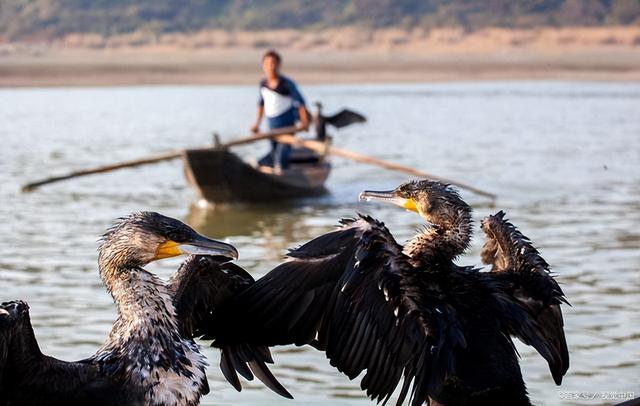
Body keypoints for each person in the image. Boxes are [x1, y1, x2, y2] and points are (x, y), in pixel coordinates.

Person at [250, 49, 309, 170]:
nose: (271, 66)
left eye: (273, 63)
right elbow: (261, 104)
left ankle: (283, 174)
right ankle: (264, 167)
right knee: (273, 153)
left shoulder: (286, 83)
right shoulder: (263, 84)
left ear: (278, 65)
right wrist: (256, 124)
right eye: (268, 63)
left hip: (288, 128)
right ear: (263, 66)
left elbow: (300, 103)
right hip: (272, 129)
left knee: (281, 155)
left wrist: (304, 123)